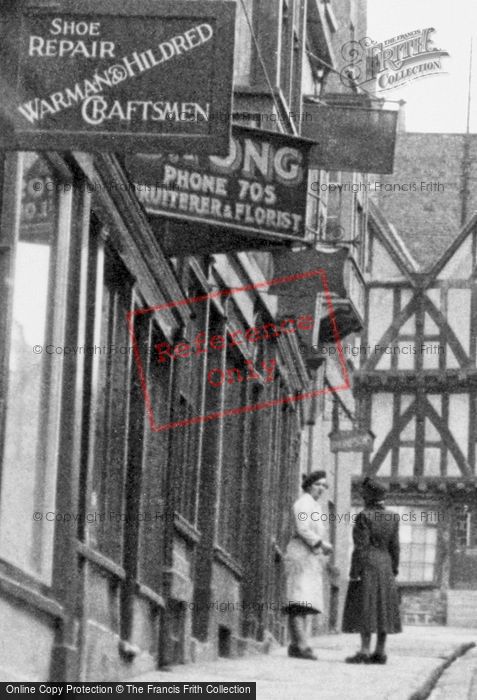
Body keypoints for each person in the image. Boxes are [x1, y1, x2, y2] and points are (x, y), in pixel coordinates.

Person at [342, 476, 402, 664]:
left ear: (368, 496)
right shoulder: (393, 517)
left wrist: (354, 572)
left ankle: (364, 650)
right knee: (383, 607)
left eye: (364, 493)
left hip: (368, 564)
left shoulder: (364, 516)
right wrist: (394, 568)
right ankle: (380, 651)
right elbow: (395, 547)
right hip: (386, 564)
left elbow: (360, 547)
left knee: (366, 606)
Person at [283, 470, 333, 660]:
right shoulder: (303, 504)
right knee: (298, 600)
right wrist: (321, 544)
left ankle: (297, 644)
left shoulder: (315, 506)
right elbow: (303, 529)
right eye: (318, 484)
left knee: (304, 602)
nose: (321, 488)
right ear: (309, 485)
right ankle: (302, 644)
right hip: (300, 555)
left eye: (324, 485)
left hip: (309, 556)